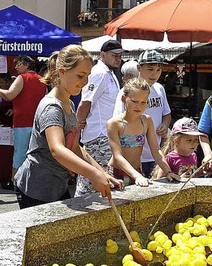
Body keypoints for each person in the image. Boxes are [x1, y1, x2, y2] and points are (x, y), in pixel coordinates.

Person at [14, 45, 123, 208]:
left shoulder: (69, 103)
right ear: (62, 72)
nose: (85, 82)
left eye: (87, 76)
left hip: (56, 186)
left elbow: (74, 147)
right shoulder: (52, 108)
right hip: (35, 188)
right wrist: (93, 174)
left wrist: (101, 173)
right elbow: (57, 150)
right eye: (80, 75)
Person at [75, 39, 124, 196]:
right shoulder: (100, 73)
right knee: (92, 182)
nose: (118, 58)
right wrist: (77, 125)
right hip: (98, 136)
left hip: (104, 135)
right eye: (114, 55)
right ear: (103, 55)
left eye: (120, 55)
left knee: (99, 182)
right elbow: (85, 103)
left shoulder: (108, 73)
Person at [113, 49, 172, 177]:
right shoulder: (127, 92)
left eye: (158, 70)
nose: (155, 74)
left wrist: (165, 125)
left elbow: (166, 113)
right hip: (131, 159)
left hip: (155, 154)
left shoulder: (160, 89)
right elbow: (119, 122)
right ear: (139, 68)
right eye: (150, 69)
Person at [107, 78, 175, 186]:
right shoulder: (114, 124)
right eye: (134, 101)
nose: (139, 106)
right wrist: (137, 176)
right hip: (117, 174)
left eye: (143, 102)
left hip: (137, 171)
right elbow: (117, 156)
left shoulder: (146, 121)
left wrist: (168, 172)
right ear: (124, 99)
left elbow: (156, 150)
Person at [0, 55, 46, 190]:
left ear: (26, 65)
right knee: (35, 154)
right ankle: (33, 181)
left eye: (19, 64)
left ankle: (15, 181)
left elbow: (9, 95)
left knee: (20, 154)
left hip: (22, 122)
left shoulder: (22, 78)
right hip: (37, 122)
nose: (15, 67)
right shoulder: (42, 80)